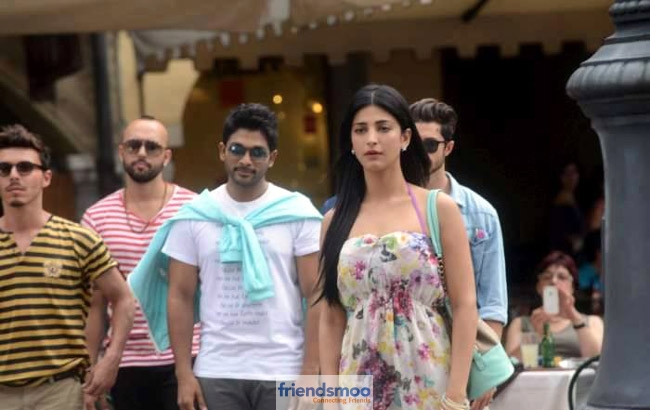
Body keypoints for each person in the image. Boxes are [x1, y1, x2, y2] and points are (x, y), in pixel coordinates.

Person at [128, 103, 323, 410]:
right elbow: (179, 295)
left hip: (284, 367)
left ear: (272, 158)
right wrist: (183, 374)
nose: (246, 160)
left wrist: (312, 369)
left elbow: (316, 294)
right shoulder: (196, 216)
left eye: (257, 153)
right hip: (216, 370)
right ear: (222, 151)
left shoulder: (296, 212)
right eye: (237, 149)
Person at [319, 84, 478, 410]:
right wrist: (330, 397)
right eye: (360, 130)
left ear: (405, 137)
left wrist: (456, 393)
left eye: (383, 128)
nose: (371, 139)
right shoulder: (334, 221)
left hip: (429, 380)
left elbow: (465, 304)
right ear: (351, 142)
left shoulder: (438, 209)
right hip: (357, 384)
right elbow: (331, 315)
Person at [0, 125, 135, 410]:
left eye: (25, 167)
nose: (13, 175)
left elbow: (123, 298)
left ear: (46, 177)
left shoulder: (79, 239)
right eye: (4, 169)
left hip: (61, 390)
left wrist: (111, 359)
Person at [82, 116, 200, 410]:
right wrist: (90, 370)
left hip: (188, 357)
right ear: (121, 151)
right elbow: (95, 304)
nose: (142, 153)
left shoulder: (194, 209)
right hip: (124, 362)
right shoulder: (96, 217)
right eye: (134, 146)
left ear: (166, 156)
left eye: (152, 146)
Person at [409, 98, 508, 410]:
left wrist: (483, 372)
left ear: (448, 148)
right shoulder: (385, 206)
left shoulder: (480, 214)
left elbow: (492, 302)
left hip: (459, 355)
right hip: (402, 348)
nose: (420, 153)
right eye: (413, 143)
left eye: (429, 145)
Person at [505, 251, 603, 360]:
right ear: (539, 287)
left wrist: (575, 318)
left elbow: (597, 360)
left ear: (572, 287)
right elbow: (511, 363)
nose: (553, 281)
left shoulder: (592, 322)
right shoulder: (521, 323)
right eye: (547, 277)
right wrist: (536, 335)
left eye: (562, 277)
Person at [549, 161, 585, 257]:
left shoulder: (574, 197)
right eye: (567, 173)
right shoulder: (562, 198)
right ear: (561, 177)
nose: (572, 177)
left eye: (574, 172)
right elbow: (558, 229)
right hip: (565, 253)